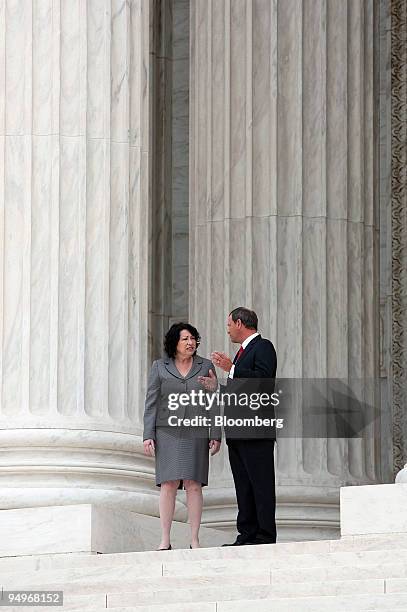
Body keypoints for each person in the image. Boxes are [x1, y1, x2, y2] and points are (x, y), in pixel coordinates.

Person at [199, 307, 277, 545]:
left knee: (260, 484)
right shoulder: (243, 354)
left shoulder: (263, 347)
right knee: (243, 486)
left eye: (229, 324)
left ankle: (264, 535)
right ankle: (247, 534)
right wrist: (218, 388)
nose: (228, 329)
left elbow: (263, 383)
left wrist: (231, 368)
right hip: (237, 430)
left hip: (256, 430)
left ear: (241, 323)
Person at [143, 322, 221, 550]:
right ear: (174, 343)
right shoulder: (159, 367)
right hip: (166, 431)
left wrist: (215, 433)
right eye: (185, 339)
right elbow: (151, 403)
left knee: (193, 484)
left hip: (196, 429)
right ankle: (165, 539)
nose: (190, 343)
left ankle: (194, 539)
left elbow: (213, 401)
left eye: (193, 338)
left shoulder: (205, 365)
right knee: (168, 484)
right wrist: (148, 434)